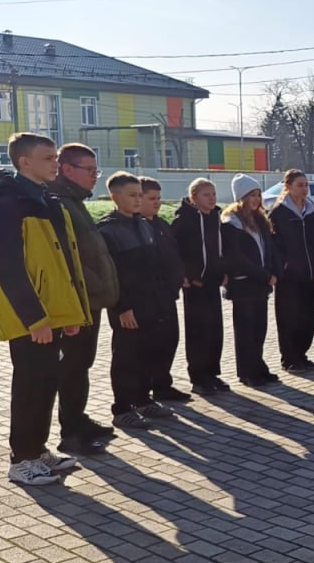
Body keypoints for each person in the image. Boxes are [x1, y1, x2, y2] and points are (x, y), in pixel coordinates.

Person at [0, 134, 89, 485]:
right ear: (24, 162)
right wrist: (35, 319)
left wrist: (69, 313)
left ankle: (38, 450)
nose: (55, 164)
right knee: (30, 386)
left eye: (56, 157)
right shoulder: (6, 206)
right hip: (32, 319)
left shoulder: (47, 200)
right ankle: (21, 459)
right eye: (48, 158)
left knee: (47, 383)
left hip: (54, 314)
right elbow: (10, 268)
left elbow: (64, 263)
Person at [49, 143, 119, 451]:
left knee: (82, 364)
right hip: (78, 301)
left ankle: (78, 419)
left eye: (95, 169)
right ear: (67, 170)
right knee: (73, 365)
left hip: (90, 299)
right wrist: (90, 284)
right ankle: (71, 433)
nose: (94, 176)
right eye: (89, 170)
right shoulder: (58, 203)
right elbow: (66, 256)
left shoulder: (74, 200)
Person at [96, 173, 178, 428]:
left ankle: (143, 401)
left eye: (139, 195)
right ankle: (122, 408)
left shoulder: (144, 224)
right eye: (132, 195)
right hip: (128, 307)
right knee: (126, 357)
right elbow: (110, 273)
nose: (137, 200)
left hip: (154, 303)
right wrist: (122, 307)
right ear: (115, 196)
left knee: (149, 353)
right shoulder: (108, 229)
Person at [221, 175, 280, 387]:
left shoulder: (260, 220)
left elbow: (269, 249)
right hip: (244, 283)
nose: (255, 200)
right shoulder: (231, 223)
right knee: (245, 330)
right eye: (251, 196)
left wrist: (273, 271)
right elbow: (237, 258)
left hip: (260, 284)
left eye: (257, 195)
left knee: (259, 328)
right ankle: (247, 371)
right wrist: (265, 275)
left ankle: (258, 366)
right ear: (240, 198)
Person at [172, 178, 228, 395]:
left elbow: (221, 249)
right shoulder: (184, 220)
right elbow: (175, 251)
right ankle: (198, 377)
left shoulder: (216, 217)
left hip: (213, 282)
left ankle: (212, 373)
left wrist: (223, 272)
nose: (212, 198)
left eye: (214, 194)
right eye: (207, 195)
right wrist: (186, 275)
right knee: (198, 332)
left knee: (215, 330)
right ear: (194, 198)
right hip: (195, 285)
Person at [139, 177, 190, 403]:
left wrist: (180, 276)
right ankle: (144, 391)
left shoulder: (161, 225)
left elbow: (174, 255)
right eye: (152, 198)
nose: (157, 203)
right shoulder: (137, 226)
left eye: (159, 198)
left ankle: (162, 385)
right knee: (150, 346)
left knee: (170, 340)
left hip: (168, 296)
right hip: (149, 298)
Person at [269, 169, 314, 373]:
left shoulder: (311, 211)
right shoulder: (279, 212)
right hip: (289, 276)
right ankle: (289, 358)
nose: (304, 189)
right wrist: (283, 265)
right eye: (299, 185)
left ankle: (302, 355)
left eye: (306, 185)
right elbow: (274, 244)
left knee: (307, 317)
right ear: (288, 187)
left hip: (308, 274)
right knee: (289, 317)